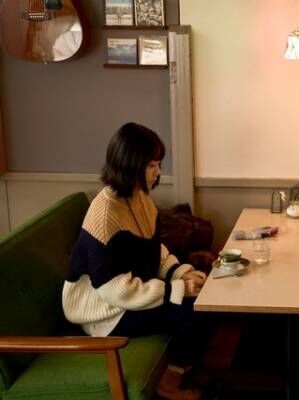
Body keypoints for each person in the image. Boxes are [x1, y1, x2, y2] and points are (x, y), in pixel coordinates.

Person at [62, 122, 209, 400]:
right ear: (130, 165)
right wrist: (176, 289)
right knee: (194, 310)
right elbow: (113, 289)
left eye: (158, 164)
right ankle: (171, 381)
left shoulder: (140, 199)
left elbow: (153, 249)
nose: (158, 172)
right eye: (152, 165)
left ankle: (186, 366)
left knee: (205, 290)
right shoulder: (105, 214)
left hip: (126, 296)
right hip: (105, 314)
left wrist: (180, 273)